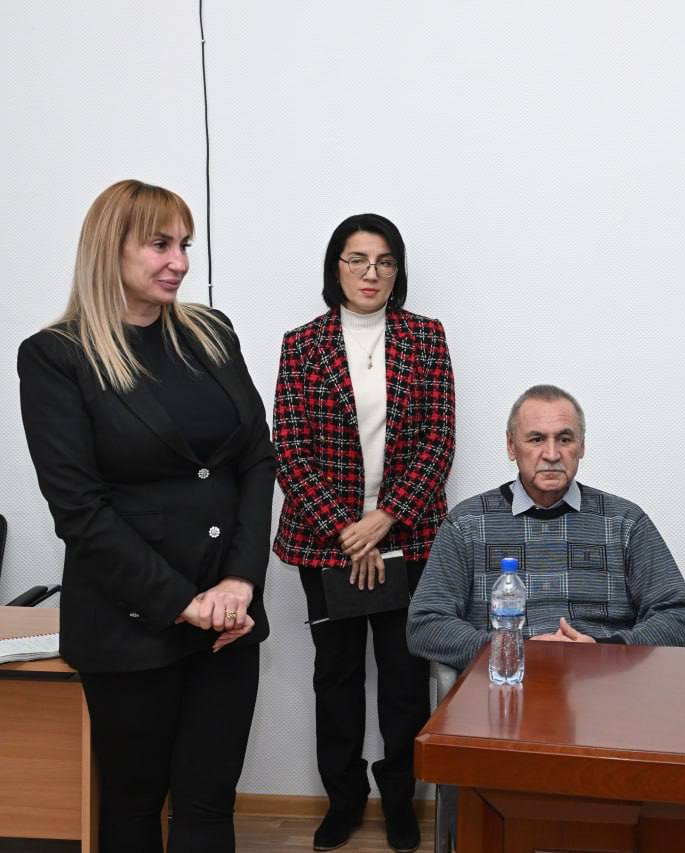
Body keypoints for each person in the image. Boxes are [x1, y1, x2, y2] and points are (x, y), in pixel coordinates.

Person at [17, 180, 273, 853]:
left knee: (208, 803)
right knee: (133, 807)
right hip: (130, 623)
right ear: (112, 248)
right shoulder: (57, 356)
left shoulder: (211, 333)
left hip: (228, 618)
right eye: (161, 244)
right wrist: (183, 602)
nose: (179, 261)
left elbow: (256, 458)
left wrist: (240, 582)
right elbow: (80, 510)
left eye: (184, 244)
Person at [273, 213, 454, 853]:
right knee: (337, 678)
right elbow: (289, 448)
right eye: (357, 260)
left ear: (397, 271)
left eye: (383, 261)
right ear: (336, 268)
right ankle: (344, 799)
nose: (370, 273)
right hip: (325, 542)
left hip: (408, 535)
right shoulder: (302, 344)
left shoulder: (426, 338)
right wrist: (348, 531)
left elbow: (438, 441)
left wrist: (383, 521)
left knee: (404, 679)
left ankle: (401, 801)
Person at [407, 384, 685, 673]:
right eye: (536, 439)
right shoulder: (467, 524)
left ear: (581, 446)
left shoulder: (624, 522)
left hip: (601, 683)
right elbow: (425, 625)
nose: (551, 453)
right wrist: (514, 650)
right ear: (511, 446)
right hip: (505, 684)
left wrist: (604, 650)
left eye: (564, 439)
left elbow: (681, 619)